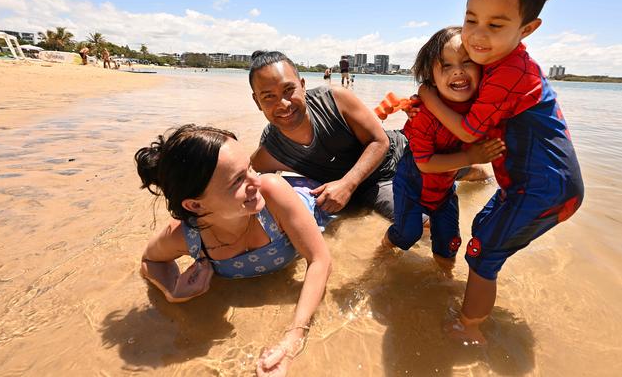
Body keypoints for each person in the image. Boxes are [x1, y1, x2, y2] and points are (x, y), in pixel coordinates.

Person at [417, 0, 584, 345]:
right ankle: (475, 304)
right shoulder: (501, 63)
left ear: (527, 29)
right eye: (470, 19)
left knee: (484, 251)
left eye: (496, 24)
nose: (476, 34)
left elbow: (473, 132)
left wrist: (428, 97)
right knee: (482, 231)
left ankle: (470, 328)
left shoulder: (509, 71)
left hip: (544, 187)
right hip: (530, 183)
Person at [135, 124, 332, 376]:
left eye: (250, 167)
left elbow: (320, 260)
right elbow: (150, 261)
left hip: (307, 201)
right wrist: (173, 291)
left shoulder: (270, 191)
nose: (255, 180)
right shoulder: (188, 236)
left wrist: (294, 337)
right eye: (238, 179)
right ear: (195, 204)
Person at [383, 26, 505, 274]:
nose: (458, 70)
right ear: (430, 77)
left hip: (444, 188)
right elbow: (424, 163)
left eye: (467, 62)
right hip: (413, 183)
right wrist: (471, 157)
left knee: (450, 242)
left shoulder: (481, 108)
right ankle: (384, 248)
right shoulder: (423, 114)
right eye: (446, 65)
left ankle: (444, 280)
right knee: (407, 234)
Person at [249, 50, 406, 219]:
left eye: (288, 89)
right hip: (364, 191)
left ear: (302, 85)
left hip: (395, 159)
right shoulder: (270, 150)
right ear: (257, 101)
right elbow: (243, 180)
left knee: (418, 225)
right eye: (269, 96)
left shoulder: (335, 100)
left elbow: (379, 141)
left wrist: (347, 184)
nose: (283, 104)